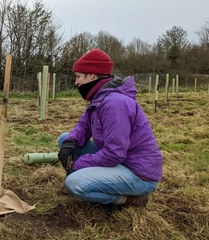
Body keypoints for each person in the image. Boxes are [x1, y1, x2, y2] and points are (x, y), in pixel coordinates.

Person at [57, 49, 163, 207]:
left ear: (91, 75)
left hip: (138, 173)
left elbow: (115, 153)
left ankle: (130, 200)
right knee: (65, 139)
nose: (76, 82)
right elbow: (84, 125)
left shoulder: (114, 103)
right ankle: (98, 179)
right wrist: (70, 142)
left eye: (78, 76)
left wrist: (77, 165)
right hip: (121, 162)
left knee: (74, 183)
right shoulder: (100, 98)